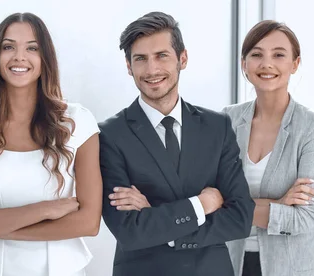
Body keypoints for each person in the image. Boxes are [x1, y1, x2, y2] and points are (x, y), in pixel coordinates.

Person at [98, 11, 255, 276]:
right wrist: (201, 205)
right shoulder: (110, 134)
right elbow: (130, 231)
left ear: (182, 59)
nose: (152, 70)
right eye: (140, 59)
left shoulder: (217, 127)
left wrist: (159, 221)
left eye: (161, 56)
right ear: (128, 66)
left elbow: (240, 218)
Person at [0, 12, 102, 276]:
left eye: (32, 48)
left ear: (45, 59)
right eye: (9, 47)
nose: (19, 57)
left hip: (63, 269)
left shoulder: (78, 122)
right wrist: (48, 209)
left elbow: (88, 222)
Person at [222, 20, 314, 276]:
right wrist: (278, 203)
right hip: (231, 264)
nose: (267, 63)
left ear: (295, 64)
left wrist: (231, 205)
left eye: (279, 54)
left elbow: (304, 217)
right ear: (244, 63)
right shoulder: (226, 120)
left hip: (295, 268)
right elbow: (207, 201)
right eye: (256, 54)